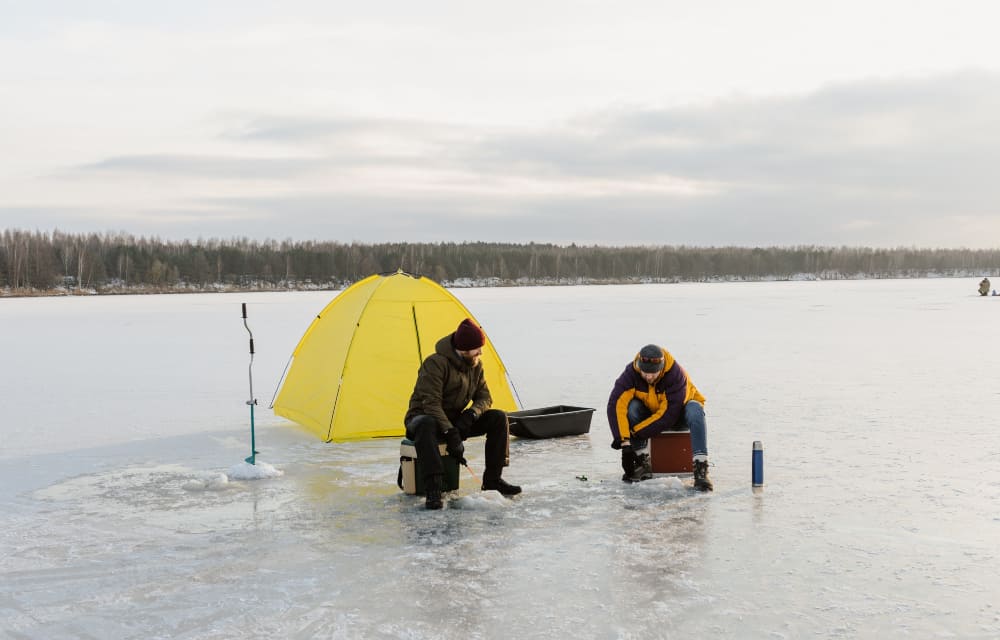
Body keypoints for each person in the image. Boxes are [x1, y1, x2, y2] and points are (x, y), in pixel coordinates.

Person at [404, 318, 522, 509]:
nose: (480, 352)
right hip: (422, 419)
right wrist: (450, 432)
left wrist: (471, 416)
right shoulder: (435, 363)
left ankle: (493, 480)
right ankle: (434, 488)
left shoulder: (476, 365)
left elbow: (485, 397)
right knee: (426, 423)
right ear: (464, 350)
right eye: (477, 349)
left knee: (498, 418)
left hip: (454, 421)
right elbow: (431, 404)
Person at [607, 344, 713, 491]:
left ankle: (701, 468)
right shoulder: (631, 373)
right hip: (652, 415)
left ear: (661, 369)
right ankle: (641, 462)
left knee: (695, 409)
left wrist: (635, 433)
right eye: (645, 373)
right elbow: (615, 404)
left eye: (653, 373)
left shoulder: (675, 374)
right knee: (632, 407)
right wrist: (624, 443)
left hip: (678, 415)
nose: (648, 377)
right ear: (639, 366)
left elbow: (667, 415)